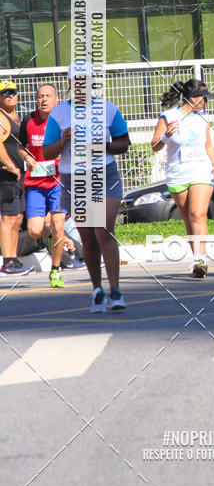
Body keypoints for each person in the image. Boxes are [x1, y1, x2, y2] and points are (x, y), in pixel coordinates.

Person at [42, 64, 130, 312]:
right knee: (89, 238)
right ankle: (97, 290)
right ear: (70, 83)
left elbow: (124, 143)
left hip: (105, 174)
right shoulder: (59, 113)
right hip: (75, 178)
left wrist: (106, 146)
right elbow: (46, 152)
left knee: (104, 230)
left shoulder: (108, 108)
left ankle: (116, 291)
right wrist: (63, 140)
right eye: (76, 80)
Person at [151, 79, 214, 279]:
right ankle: (196, 256)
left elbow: (208, 145)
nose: (206, 102)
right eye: (204, 98)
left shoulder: (203, 118)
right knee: (189, 218)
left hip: (201, 170)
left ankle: (201, 260)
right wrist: (166, 136)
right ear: (194, 99)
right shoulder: (169, 117)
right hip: (177, 173)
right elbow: (154, 145)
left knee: (198, 213)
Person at [18, 83, 68, 288]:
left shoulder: (64, 120)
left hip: (58, 180)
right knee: (34, 231)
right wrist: (27, 158)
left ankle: (55, 270)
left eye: (48, 96)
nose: (44, 100)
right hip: (36, 182)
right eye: (40, 96)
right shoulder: (29, 120)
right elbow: (21, 147)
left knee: (59, 223)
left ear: (56, 99)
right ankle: (58, 234)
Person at [0, 80, 32, 275]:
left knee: (18, 217)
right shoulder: (2, 118)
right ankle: (8, 261)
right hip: (7, 174)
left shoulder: (17, 117)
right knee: (9, 218)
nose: (10, 95)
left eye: (13, 92)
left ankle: (14, 259)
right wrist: (11, 166)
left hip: (19, 174)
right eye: (5, 93)